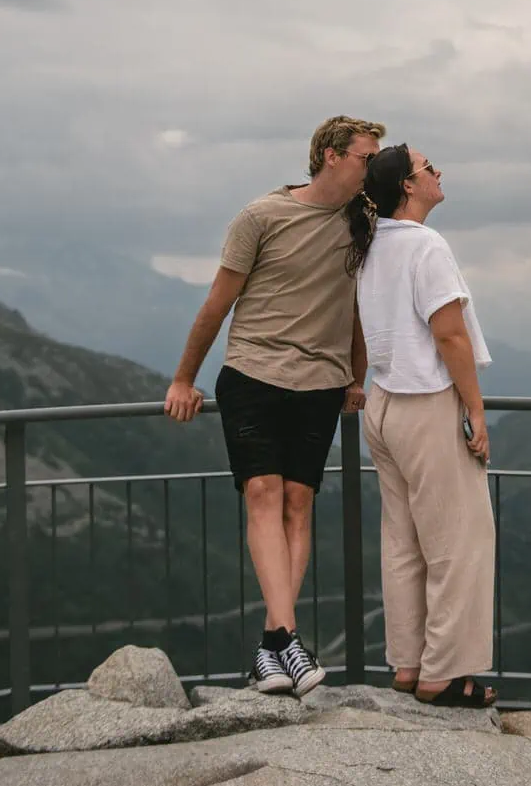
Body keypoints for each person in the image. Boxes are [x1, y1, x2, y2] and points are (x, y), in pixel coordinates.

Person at [163, 115, 383, 696]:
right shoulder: (261, 216)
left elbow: (356, 308)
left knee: (297, 505)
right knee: (263, 492)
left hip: (321, 383)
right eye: (366, 157)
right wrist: (184, 379)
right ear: (332, 155)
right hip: (253, 374)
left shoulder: (362, 221)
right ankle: (288, 639)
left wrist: (355, 378)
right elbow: (217, 304)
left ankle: (270, 649)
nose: (373, 167)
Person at [347, 143, 498, 708]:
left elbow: (362, 327)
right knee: (459, 540)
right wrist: (475, 410)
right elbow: (449, 334)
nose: (438, 172)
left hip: (384, 405)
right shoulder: (425, 245)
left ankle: (409, 665)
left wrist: (357, 380)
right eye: (427, 167)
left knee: (403, 542)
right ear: (408, 187)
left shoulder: (371, 245)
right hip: (426, 404)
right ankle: (445, 674)